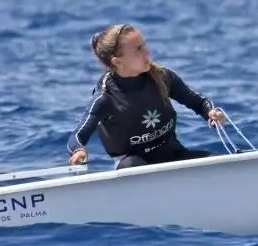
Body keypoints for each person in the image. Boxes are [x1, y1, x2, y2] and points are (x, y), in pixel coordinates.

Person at [67, 23, 227, 169]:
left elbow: (199, 103)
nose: (147, 52)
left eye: (144, 45)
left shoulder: (163, 77)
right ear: (117, 62)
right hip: (133, 168)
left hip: (174, 156)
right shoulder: (105, 97)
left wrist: (211, 113)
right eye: (138, 49)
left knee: (220, 165)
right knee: (133, 166)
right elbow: (78, 135)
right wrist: (79, 151)